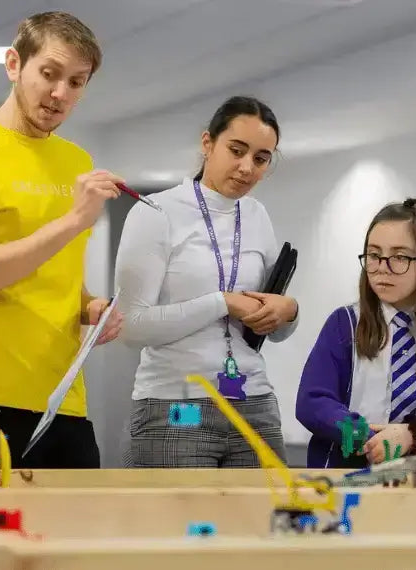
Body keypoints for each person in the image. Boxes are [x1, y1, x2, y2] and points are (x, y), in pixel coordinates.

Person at [0, 11, 124, 469]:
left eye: (76, 82)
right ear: (14, 64)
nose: (60, 94)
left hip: (64, 405)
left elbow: (53, 273)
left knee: (75, 542)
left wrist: (89, 307)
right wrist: (74, 220)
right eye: (49, 74)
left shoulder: (75, 160)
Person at [114, 96, 299, 468]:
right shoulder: (156, 213)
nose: (247, 167)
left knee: (268, 524)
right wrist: (221, 302)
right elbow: (130, 327)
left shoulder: (257, 215)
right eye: (236, 150)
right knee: (179, 526)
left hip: (254, 404)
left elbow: (268, 327)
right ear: (207, 143)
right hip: (175, 406)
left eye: (261, 159)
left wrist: (289, 312)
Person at [296, 198, 416, 468]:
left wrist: (413, 436)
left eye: (399, 257)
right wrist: (364, 436)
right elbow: (312, 402)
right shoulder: (345, 324)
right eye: (374, 255)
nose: (382, 268)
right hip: (344, 483)